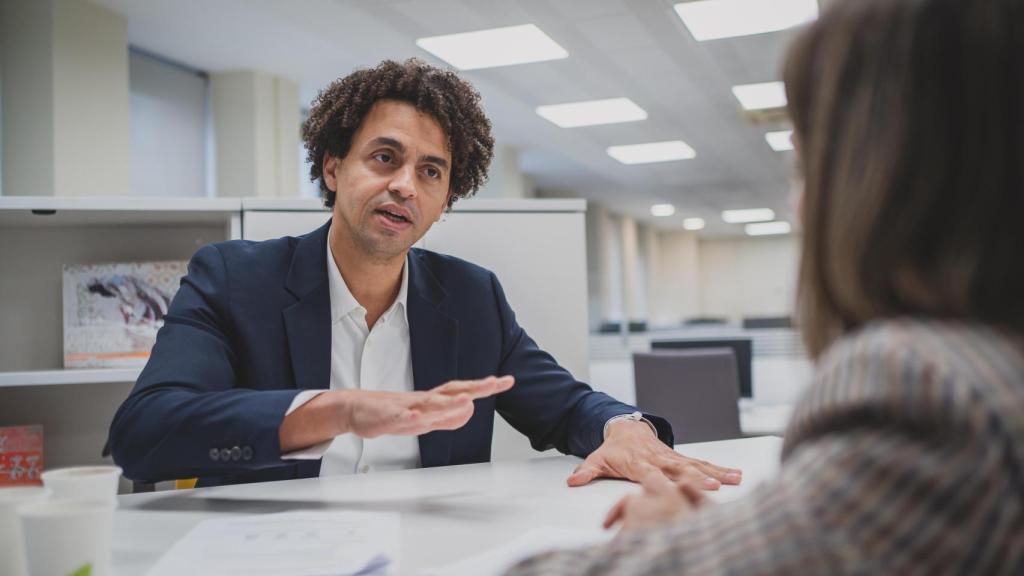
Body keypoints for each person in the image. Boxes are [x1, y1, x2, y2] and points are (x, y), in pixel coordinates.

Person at [508, 0, 1024, 573]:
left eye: (807, 169)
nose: (799, 206)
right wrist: (710, 538)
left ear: (888, 179)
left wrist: (659, 542)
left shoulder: (925, 388)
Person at [107, 59, 742, 490]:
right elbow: (145, 431)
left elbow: (564, 405)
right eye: (385, 157)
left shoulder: (471, 297)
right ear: (333, 168)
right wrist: (336, 410)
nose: (404, 186)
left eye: (431, 171)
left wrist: (622, 428)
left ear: (446, 199)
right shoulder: (234, 278)